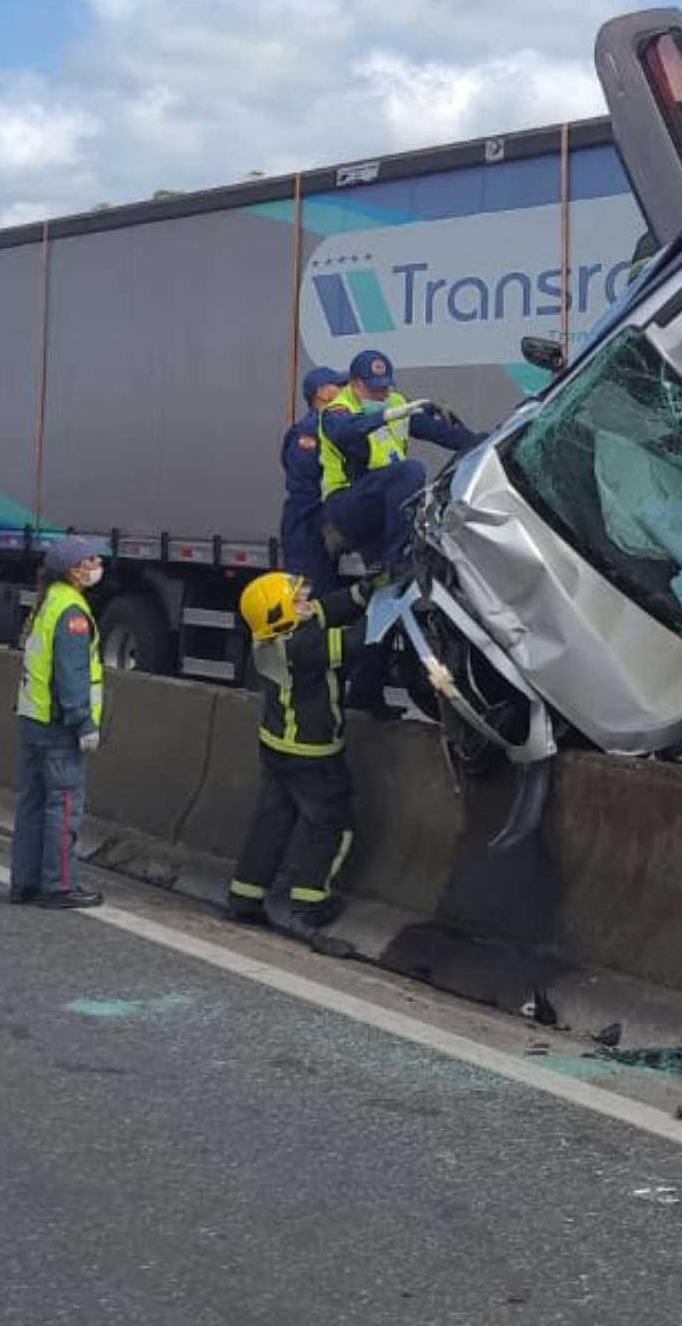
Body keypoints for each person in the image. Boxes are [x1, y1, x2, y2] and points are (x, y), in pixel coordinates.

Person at [226, 570, 373, 935]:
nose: (305, 601)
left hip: (276, 747)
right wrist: (396, 604)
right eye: (295, 600)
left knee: (271, 822)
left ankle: (245, 896)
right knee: (331, 826)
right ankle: (310, 902)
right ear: (280, 614)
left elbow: (324, 609)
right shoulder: (304, 646)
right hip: (312, 755)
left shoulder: (271, 637)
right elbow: (361, 638)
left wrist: (363, 590)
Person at [318, 349, 479, 574]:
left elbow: (440, 433)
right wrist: (384, 416)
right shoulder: (337, 410)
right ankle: (398, 557)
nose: (382, 395)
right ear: (355, 384)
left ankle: (388, 571)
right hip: (347, 503)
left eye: (385, 387)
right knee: (410, 471)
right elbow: (345, 431)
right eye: (375, 389)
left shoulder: (396, 402)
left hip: (383, 504)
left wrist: (484, 441)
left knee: (383, 588)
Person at [10, 536, 105, 909]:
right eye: (92, 559)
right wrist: (84, 723)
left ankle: (25, 883)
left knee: (32, 804)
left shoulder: (47, 602)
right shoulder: (72, 613)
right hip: (59, 725)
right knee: (64, 806)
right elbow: (71, 674)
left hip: (33, 718)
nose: (98, 564)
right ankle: (59, 886)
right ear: (74, 570)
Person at [280, 366, 344, 594]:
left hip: (316, 529)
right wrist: (327, 519)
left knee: (324, 600)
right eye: (337, 385)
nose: (343, 390)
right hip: (306, 528)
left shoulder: (329, 426)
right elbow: (307, 485)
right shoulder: (308, 432)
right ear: (321, 393)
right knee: (305, 601)